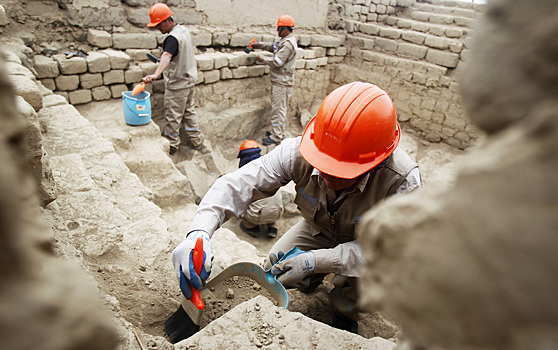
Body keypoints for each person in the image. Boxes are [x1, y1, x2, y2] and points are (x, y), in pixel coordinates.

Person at [171, 82, 423, 333]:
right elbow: (237, 185)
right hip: (319, 229)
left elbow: (388, 253)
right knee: (274, 265)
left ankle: (345, 311)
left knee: (365, 284)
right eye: (322, 164)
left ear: (376, 163)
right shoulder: (299, 151)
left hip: (369, 245)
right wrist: (199, 232)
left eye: (340, 172)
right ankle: (309, 282)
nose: (325, 177)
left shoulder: (402, 182)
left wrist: (316, 261)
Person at [142, 3, 207, 155]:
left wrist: (156, 74)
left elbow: (167, 56)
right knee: (189, 112)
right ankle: (197, 141)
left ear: (167, 20)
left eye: (159, 25)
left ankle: (172, 145)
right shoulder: (183, 31)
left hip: (178, 84)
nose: (158, 29)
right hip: (189, 80)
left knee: (173, 116)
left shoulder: (172, 38)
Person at [252, 15, 298, 146]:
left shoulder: (288, 44)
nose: (277, 30)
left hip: (282, 82)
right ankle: (277, 132)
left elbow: (277, 62)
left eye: (278, 28)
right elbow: (273, 46)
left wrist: (262, 59)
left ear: (284, 28)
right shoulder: (285, 40)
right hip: (280, 81)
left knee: (278, 109)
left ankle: (277, 137)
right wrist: (258, 45)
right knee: (279, 108)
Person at [237, 140, 284, 238]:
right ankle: (273, 227)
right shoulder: (271, 168)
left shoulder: (244, 176)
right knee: (275, 205)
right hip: (277, 212)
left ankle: (252, 228)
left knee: (239, 206)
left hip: (257, 215)